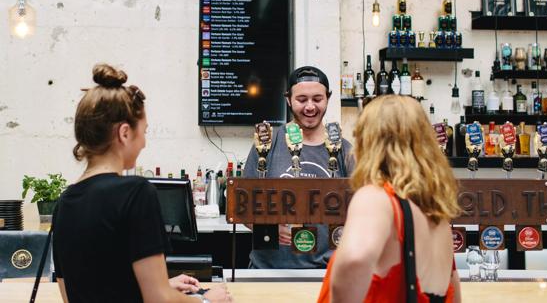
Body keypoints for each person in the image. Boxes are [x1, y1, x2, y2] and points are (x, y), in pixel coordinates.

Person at [52, 64, 232, 303]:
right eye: (144, 132)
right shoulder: (136, 192)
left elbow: (76, 294)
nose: (144, 143)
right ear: (124, 133)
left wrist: (162, 285)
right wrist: (206, 301)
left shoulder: (65, 202)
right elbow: (158, 300)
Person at [317, 95, 462, 303]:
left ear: (370, 142)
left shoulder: (376, 198)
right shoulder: (439, 219)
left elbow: (354, 260)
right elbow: (455, 295)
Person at [243, 66, 354, 269]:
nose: (310, 107)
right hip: (268, 272)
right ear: (288, 100)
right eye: (302, 100)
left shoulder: (344, 150)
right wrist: (265, 228)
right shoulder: (266, 144)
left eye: (317, 99)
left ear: (328, 98)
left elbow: (361, 212)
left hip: (326, 273)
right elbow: (244, 208)